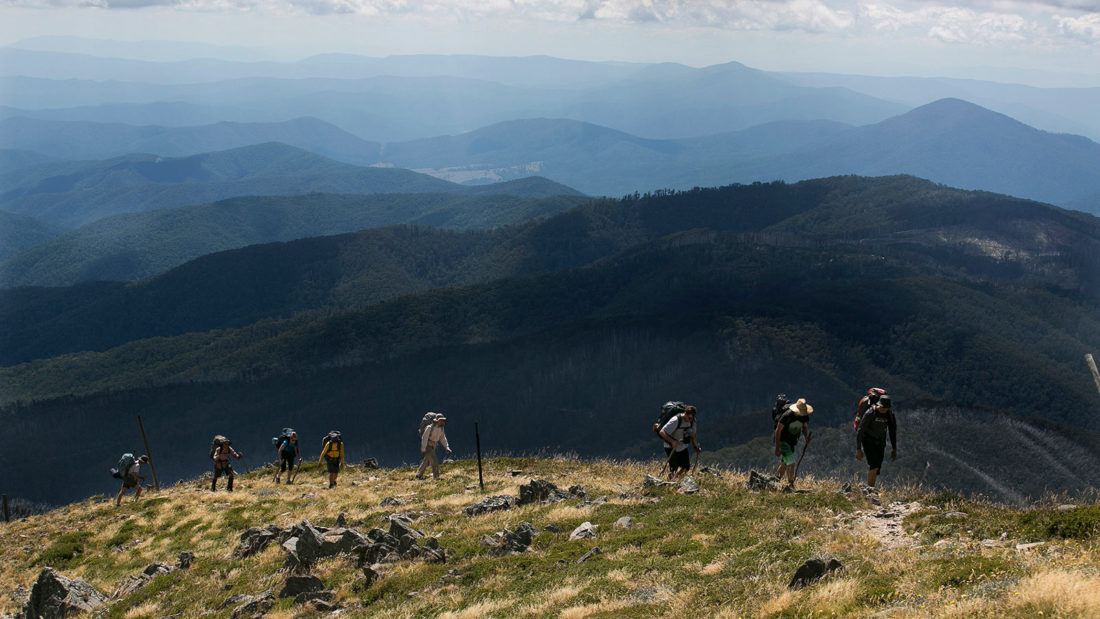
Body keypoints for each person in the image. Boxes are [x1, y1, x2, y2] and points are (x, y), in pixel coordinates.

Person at [856, 394, 898, 489]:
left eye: (886, 408)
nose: (883, 410)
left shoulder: (889, 415)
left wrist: (894, 448)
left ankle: (870, 488)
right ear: (879, 405)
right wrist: (858, 449)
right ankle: (870, 489)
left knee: (877, 467)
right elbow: (861, 430)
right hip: (868, 440)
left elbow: (892, 431)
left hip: (880, 441)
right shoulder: (871, 413)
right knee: (874, 465)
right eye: (882, 407)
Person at [774, 398, 812, 488]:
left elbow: (804, 427)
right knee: (791, 462)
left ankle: (776, 480)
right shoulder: (787, 416)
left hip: (792, 442)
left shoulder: (804, 416)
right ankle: (790, 484)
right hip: (783, 441)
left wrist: (806, 436)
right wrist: (777, 447)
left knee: (785, 462)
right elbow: (778, 430)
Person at [659, 405, 700, 481]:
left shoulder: (692, 421)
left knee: (685, 467)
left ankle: (674, 480)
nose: (690, 420)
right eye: (689, 418)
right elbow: (662, 432)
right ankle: (671, 481)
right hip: (670, 446)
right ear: (685, 413)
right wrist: (672, 442)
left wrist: (696, 446)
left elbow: (693, 435)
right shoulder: (676, 420)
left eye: (692, 418)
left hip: (682, 446)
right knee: (674, 467)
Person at [417, 415, 452, 480]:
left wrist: (447, 447)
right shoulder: (429, 427)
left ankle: (419, 475)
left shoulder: (441, 428)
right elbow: (424, 438)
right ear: (437, 421)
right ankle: (436, 477)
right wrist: (423, 448)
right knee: (434, 460)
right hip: (428, 445)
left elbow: (442, 438)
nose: (443, 422)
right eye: (441, 420)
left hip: (433, 446)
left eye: (443, 420)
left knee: (426, 461)